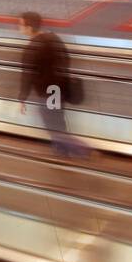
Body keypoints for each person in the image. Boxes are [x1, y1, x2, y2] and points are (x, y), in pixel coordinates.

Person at [17, 11, 90, 159]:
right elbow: (66, 59)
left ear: (29, 28)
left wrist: (22, 98)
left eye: (20, 25)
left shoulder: (31, 49)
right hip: (59, 88)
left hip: (48, 92)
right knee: (58, 121)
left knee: (52, 125)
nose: (18, 28)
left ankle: (81, 149)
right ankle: (61, 150)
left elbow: (27, 76)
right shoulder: (54, 38)